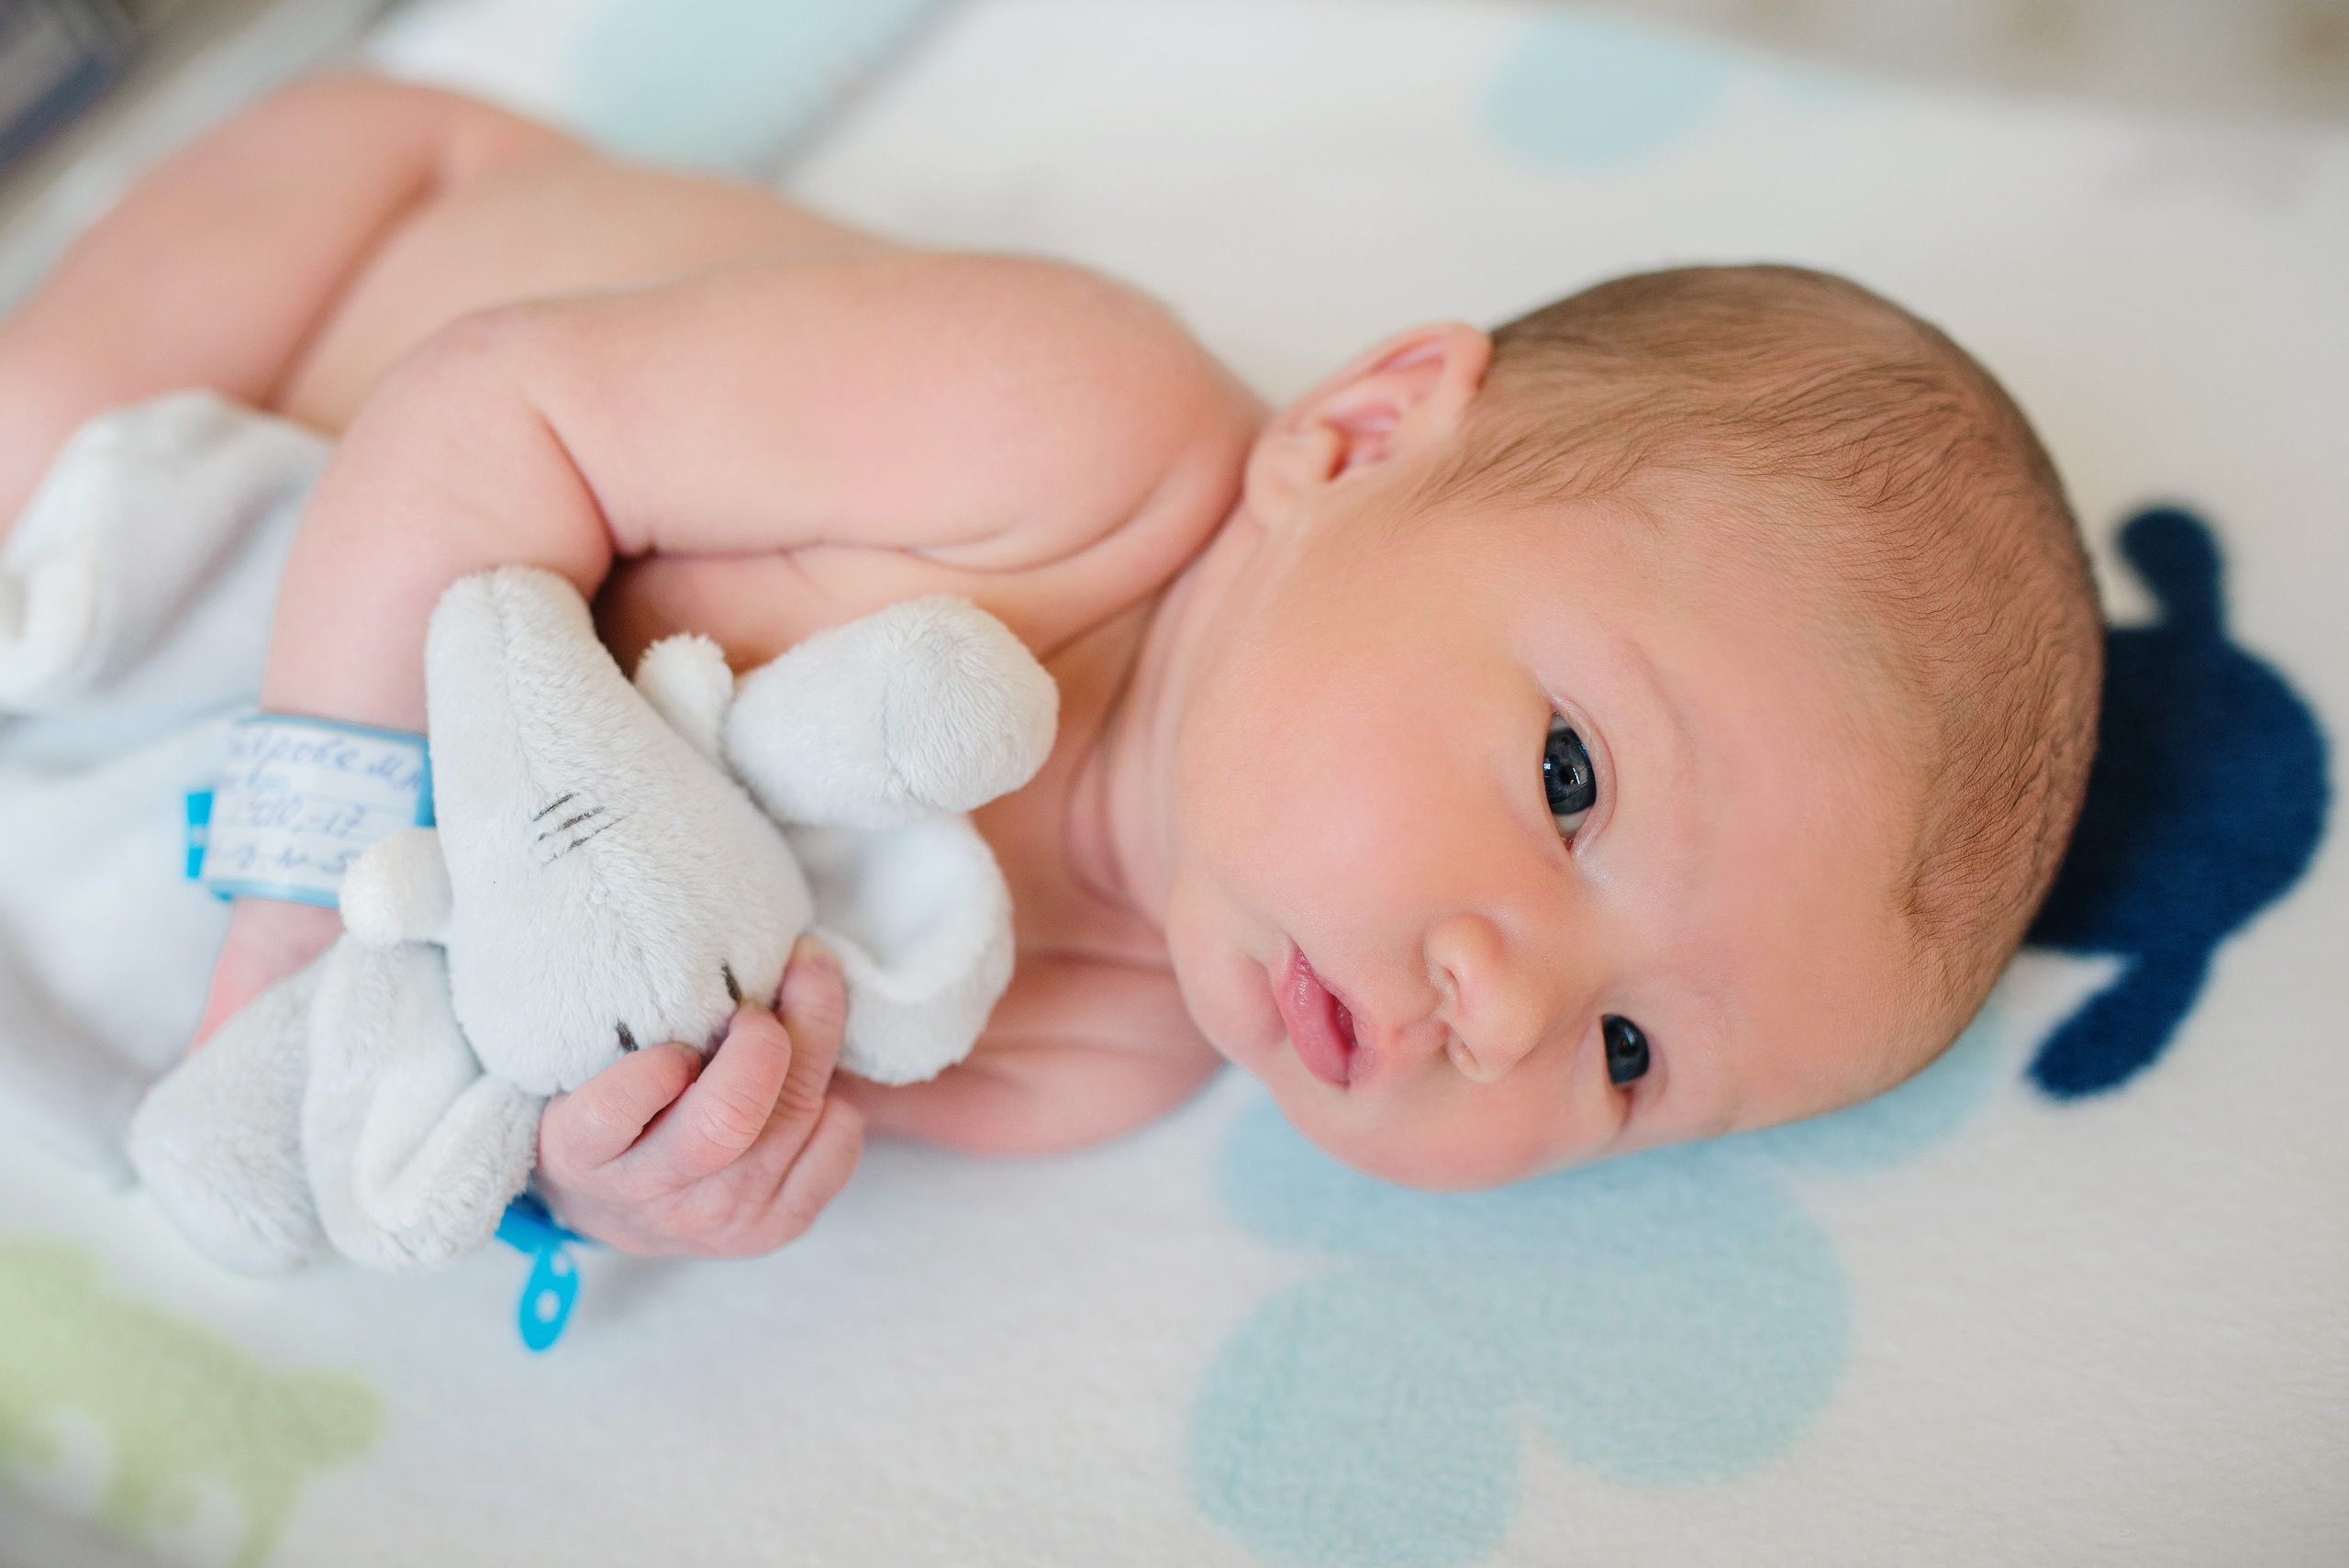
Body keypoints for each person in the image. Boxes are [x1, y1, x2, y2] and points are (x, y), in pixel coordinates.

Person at [0, 77, 2101, 1256]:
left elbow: (585, 1003)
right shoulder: (1061, 432)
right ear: (1356, 442)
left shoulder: (1091, 1053)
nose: (1509, 1002)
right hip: (320, 292)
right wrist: (291, 929)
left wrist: (636, 1168)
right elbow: (484, 420)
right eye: (1568, 783)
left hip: (246, 680)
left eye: (1630, 1062)